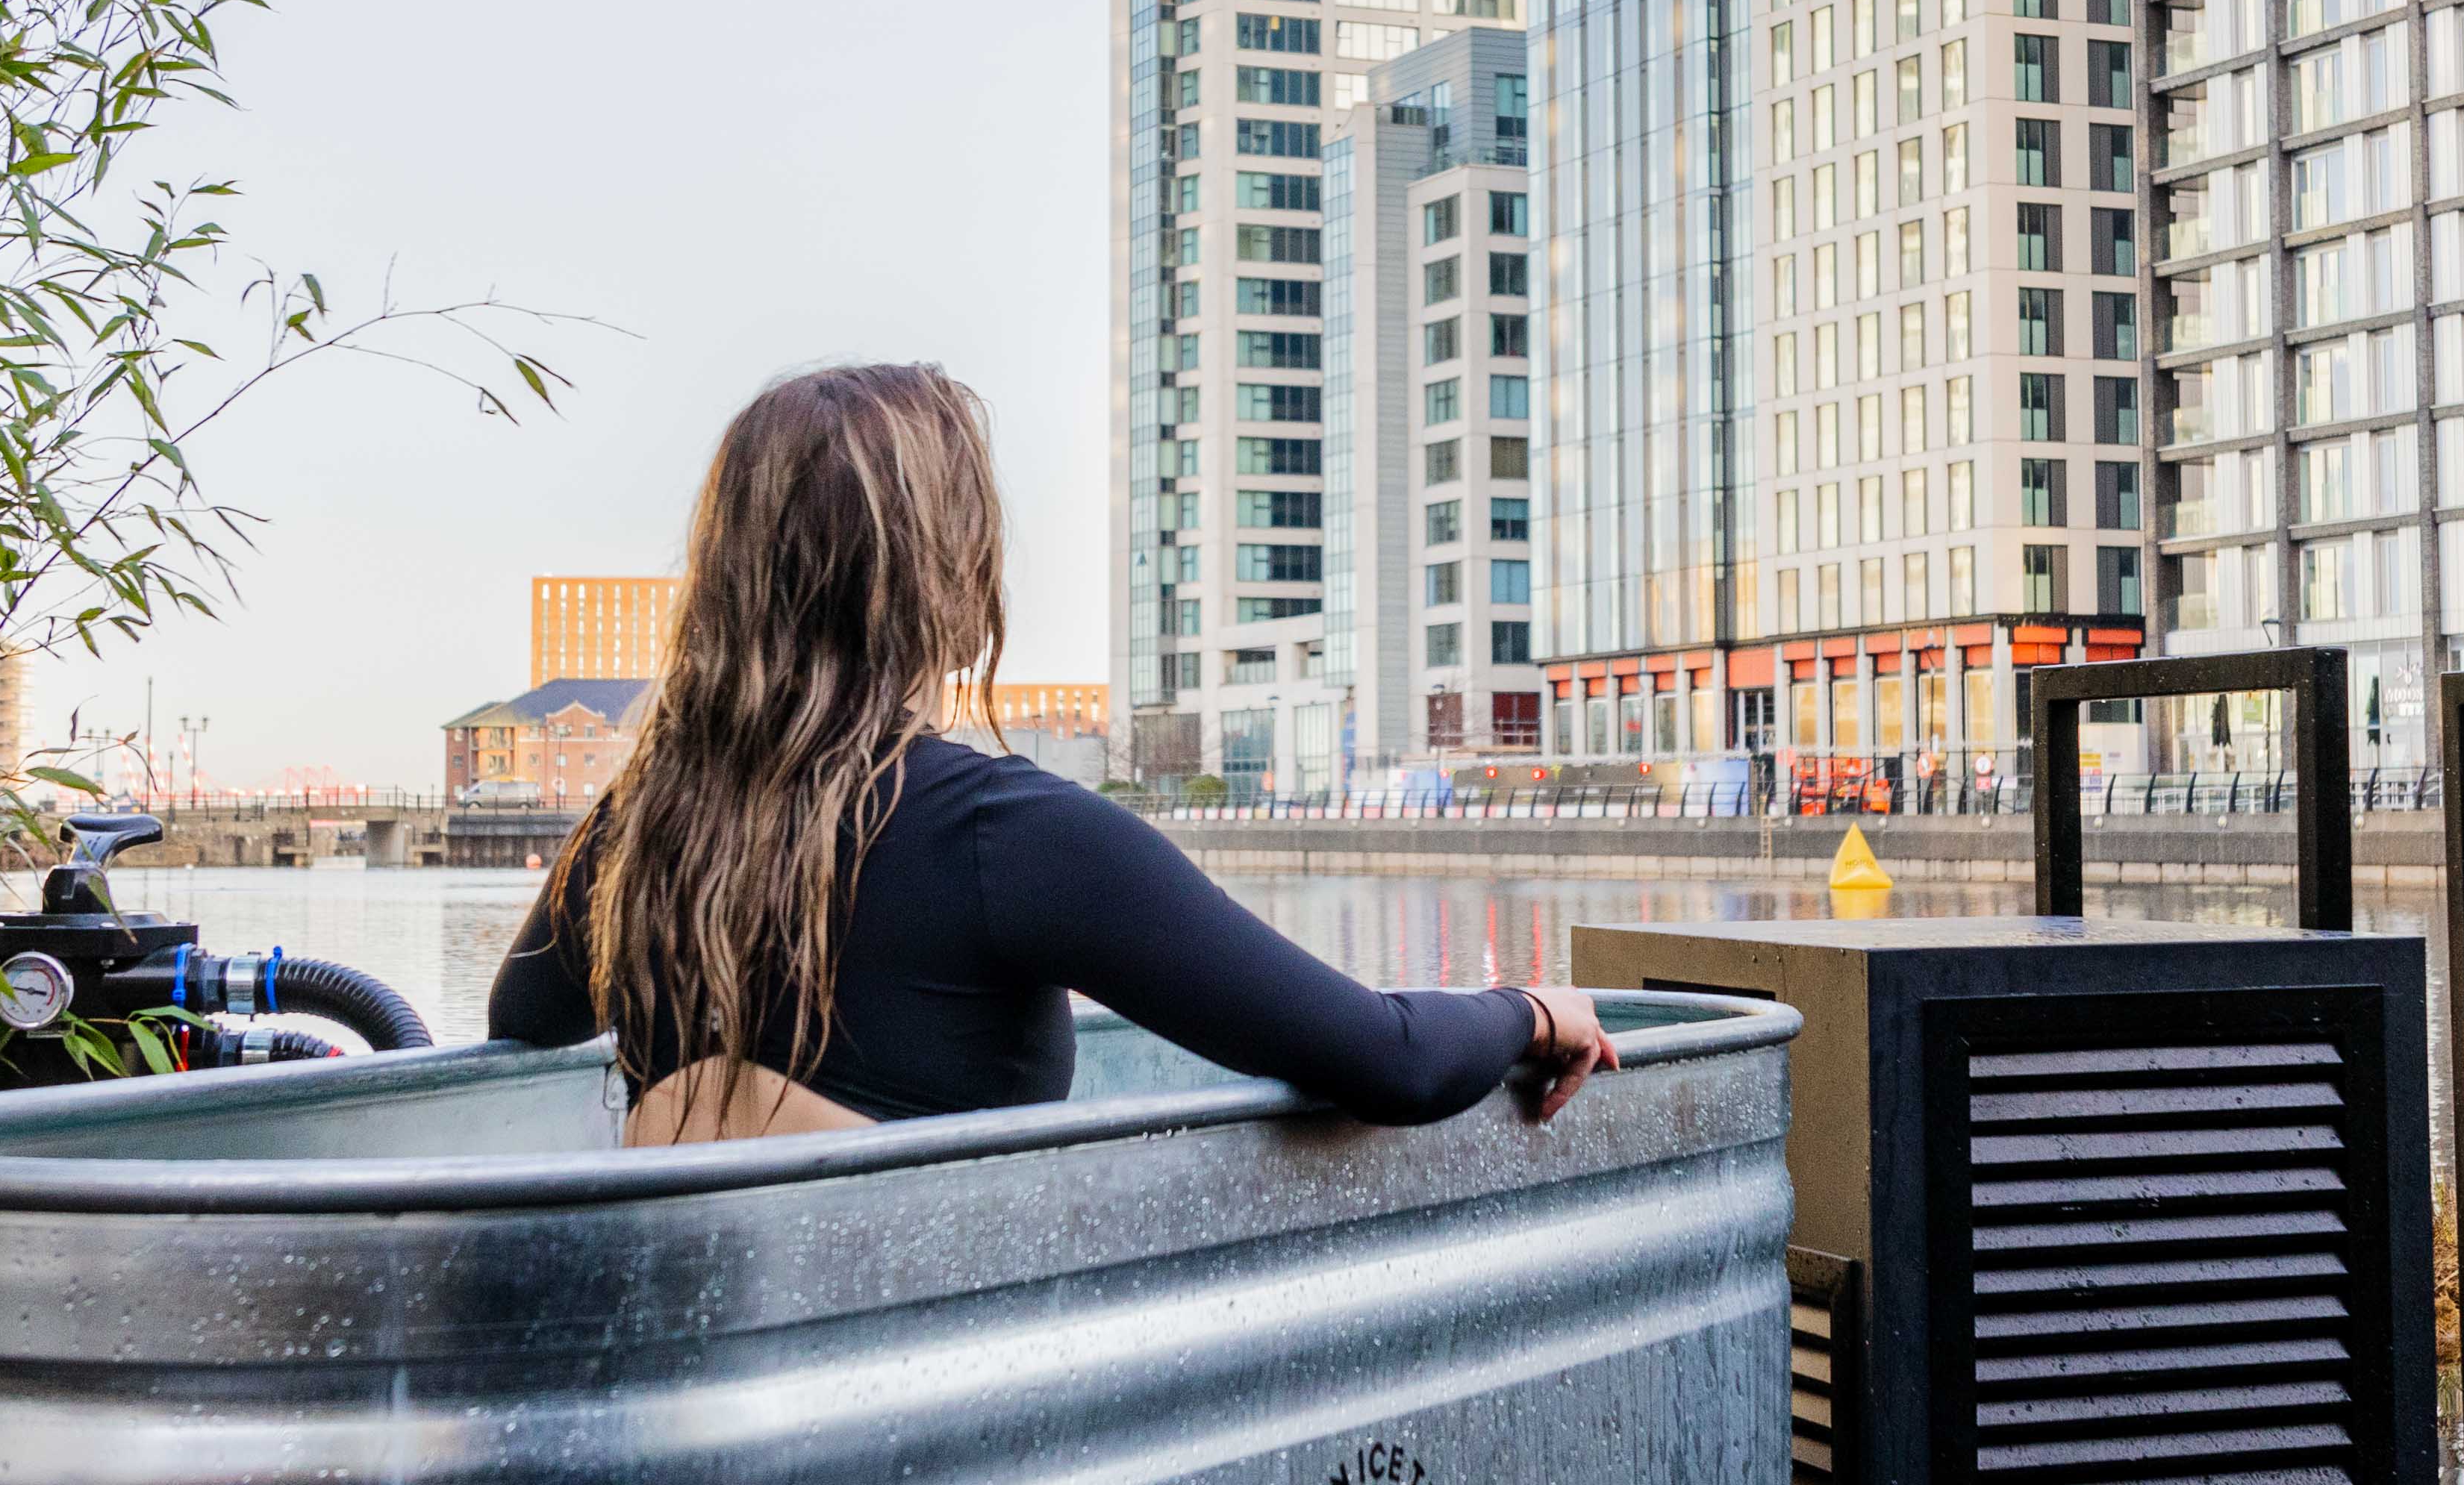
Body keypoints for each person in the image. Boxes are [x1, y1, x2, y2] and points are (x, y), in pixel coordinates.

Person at [487, 363, 1618, 1139]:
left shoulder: (644, 826)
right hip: (958, 1430)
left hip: (696, 1413)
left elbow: (521, 1021)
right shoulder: (1006, 837)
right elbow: (1392, 1060)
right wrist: (1528, 1008)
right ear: (944, 575)